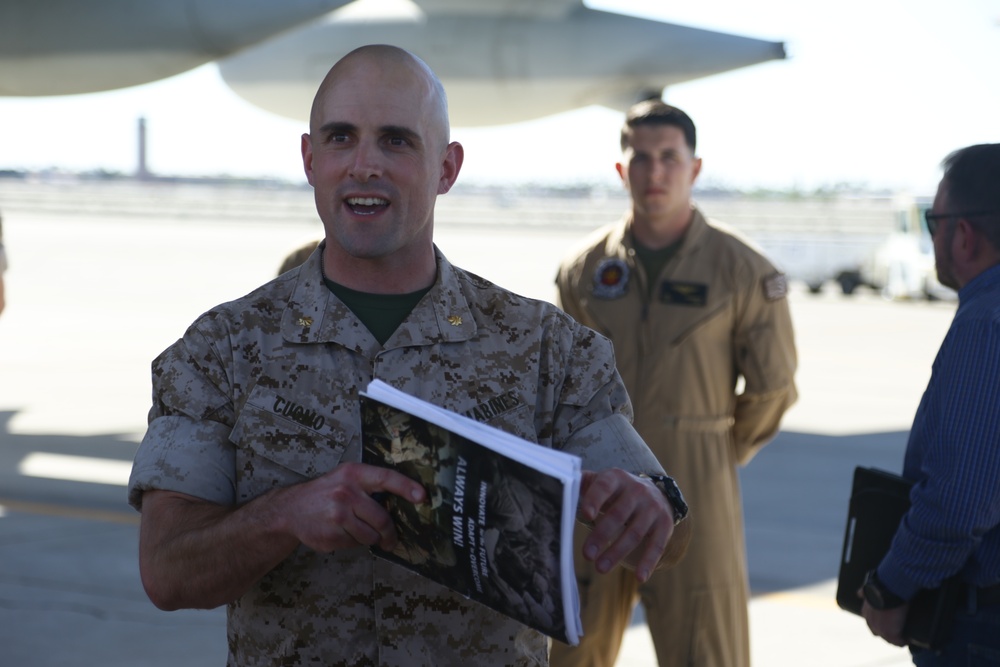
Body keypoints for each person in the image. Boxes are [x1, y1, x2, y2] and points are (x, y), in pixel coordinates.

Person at [127, 44, 692, 667]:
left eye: (396, 141)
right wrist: (283, 516)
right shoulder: (221, 351)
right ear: (311, 160)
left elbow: (662, 523)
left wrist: (648, 504)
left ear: (446, 168)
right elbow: (167, 571)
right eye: (341, 138)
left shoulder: (547, 349)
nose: (364, 165)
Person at [550, 100, 798, 667]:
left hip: (697, 485)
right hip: (598, 487)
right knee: (570, 648)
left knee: (705, 650)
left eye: (669, 158)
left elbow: (773, 388)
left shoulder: (742, 271)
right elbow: (562, 382)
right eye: (641, 158)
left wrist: (711, 450)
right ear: (621, 170)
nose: (654, 172)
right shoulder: (583, 269)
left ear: (695, 168)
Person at [861, 144, 1000, 665]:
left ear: (962, 234)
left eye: (932, 219)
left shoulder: (987, 325)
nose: (932, 234)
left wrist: (890, 587)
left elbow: (961, 501)